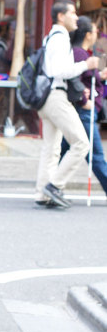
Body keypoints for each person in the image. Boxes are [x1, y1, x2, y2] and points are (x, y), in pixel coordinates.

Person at [34, 0, 99, 208]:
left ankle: (43, 192)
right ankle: (54, 186)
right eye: (72, 13)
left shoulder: (51, 37)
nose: (76, 17)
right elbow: (59, 70)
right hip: (55, 96)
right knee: (81, 143)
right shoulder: (60, 38)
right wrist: (85, 65)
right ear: (61, 16)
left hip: (47, 97)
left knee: (51, 148)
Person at [60, 16, 107, 197]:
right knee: (95, 156)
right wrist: (84, 101)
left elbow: (83, 78)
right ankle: (52, 184)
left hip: (81, 111)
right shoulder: (80, 54)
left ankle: (51, 184)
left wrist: (99, 76)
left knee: (64, 150)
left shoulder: (81, 54)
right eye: (95, 31)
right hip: (84, 112)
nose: (97, 35)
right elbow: (74, 81)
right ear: (88, 34)